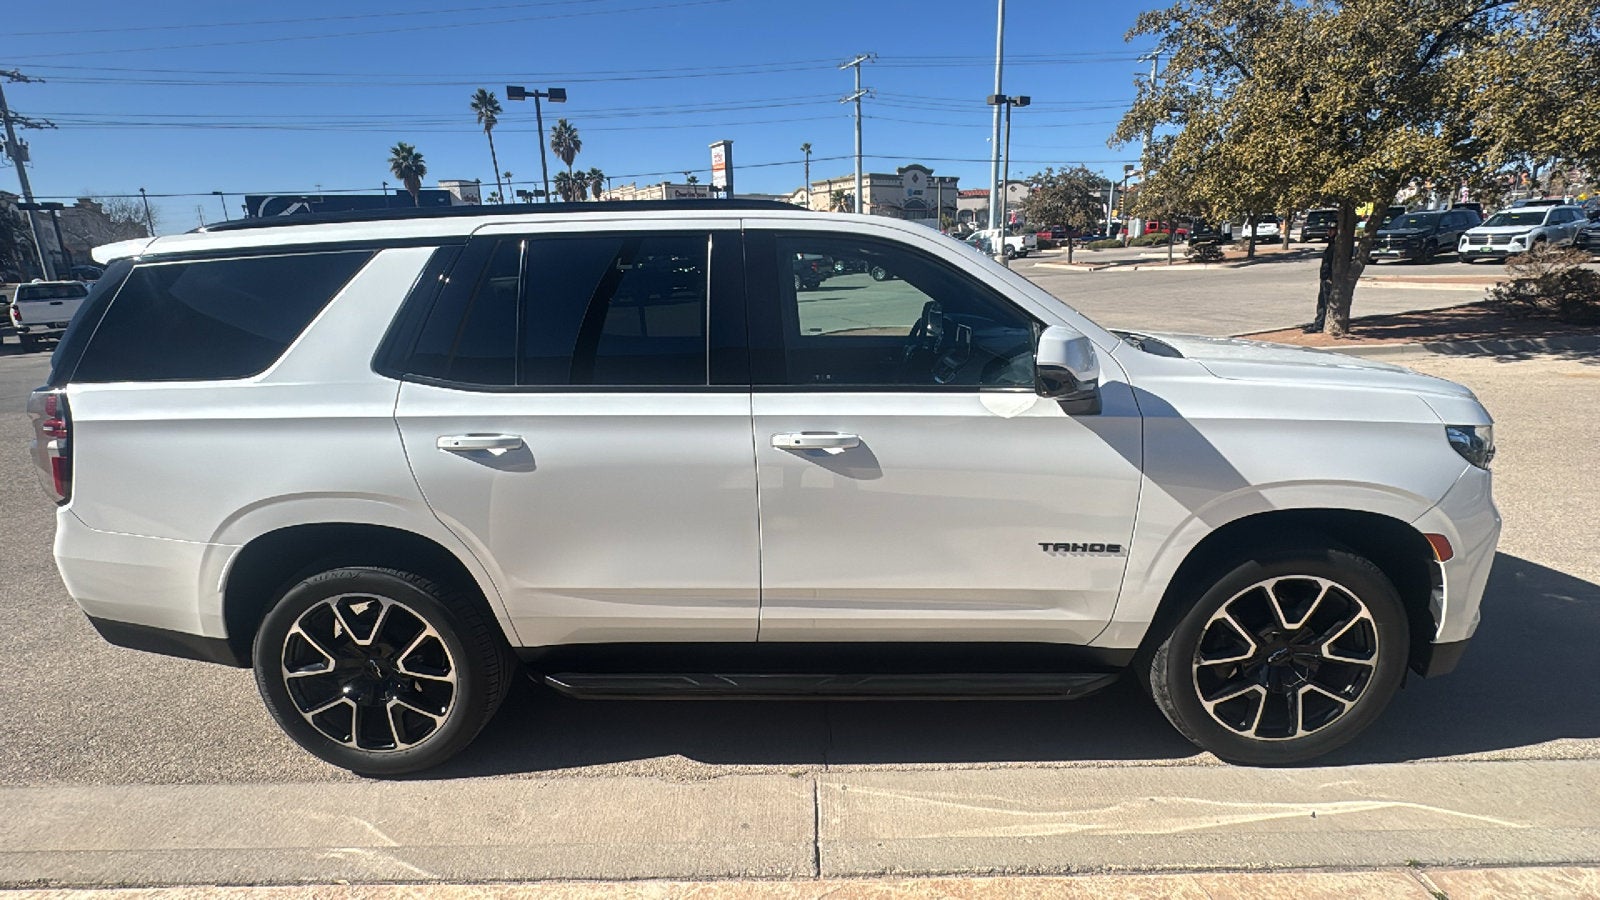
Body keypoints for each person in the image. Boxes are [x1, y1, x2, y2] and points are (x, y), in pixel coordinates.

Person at [1307, 221, 1339, 333]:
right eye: (1328, 230)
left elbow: (1335, 263)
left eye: (1332, 230)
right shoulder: (1331, 243)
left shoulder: (1337, 246)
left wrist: (1330, 277)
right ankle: (1319, 322)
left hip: (1329, 278)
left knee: (1325, 303)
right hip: (1324, 277)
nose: (1329, 232)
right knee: (1321, 302)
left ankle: (1320, 324)